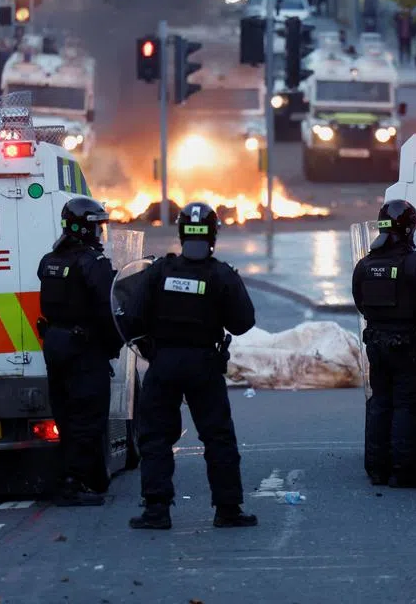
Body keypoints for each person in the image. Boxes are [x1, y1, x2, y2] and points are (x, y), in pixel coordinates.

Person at [128, 202, 257, 530]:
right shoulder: (221, 275)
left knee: (155, 435)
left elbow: (130, 316)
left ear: (182, 233)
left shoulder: (158, 271)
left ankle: (157, 510)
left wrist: (151, 350)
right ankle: (227, 509)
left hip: (164, 362)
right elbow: (243, 323)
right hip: (204, 364)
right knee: (217, 436)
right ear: (213, 234)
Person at [352, 200, 416, 487]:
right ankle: (402, 470)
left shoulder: (365, 265)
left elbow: (361, 303)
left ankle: (376, 469)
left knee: (380, 402)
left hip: (377, 344)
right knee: (406, 406)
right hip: (408, 346)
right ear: (407, 230)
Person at [36, 197, 123, 506]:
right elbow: (109, 308)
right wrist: (115, 344)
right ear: (84, 228)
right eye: (96, 226)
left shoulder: (49, 261)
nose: (100, 233)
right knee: (88, 417)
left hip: (56, 345)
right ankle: (77, 483)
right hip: (85, 350)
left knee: (67, 416)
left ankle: (79, 477)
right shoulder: (92, 264)